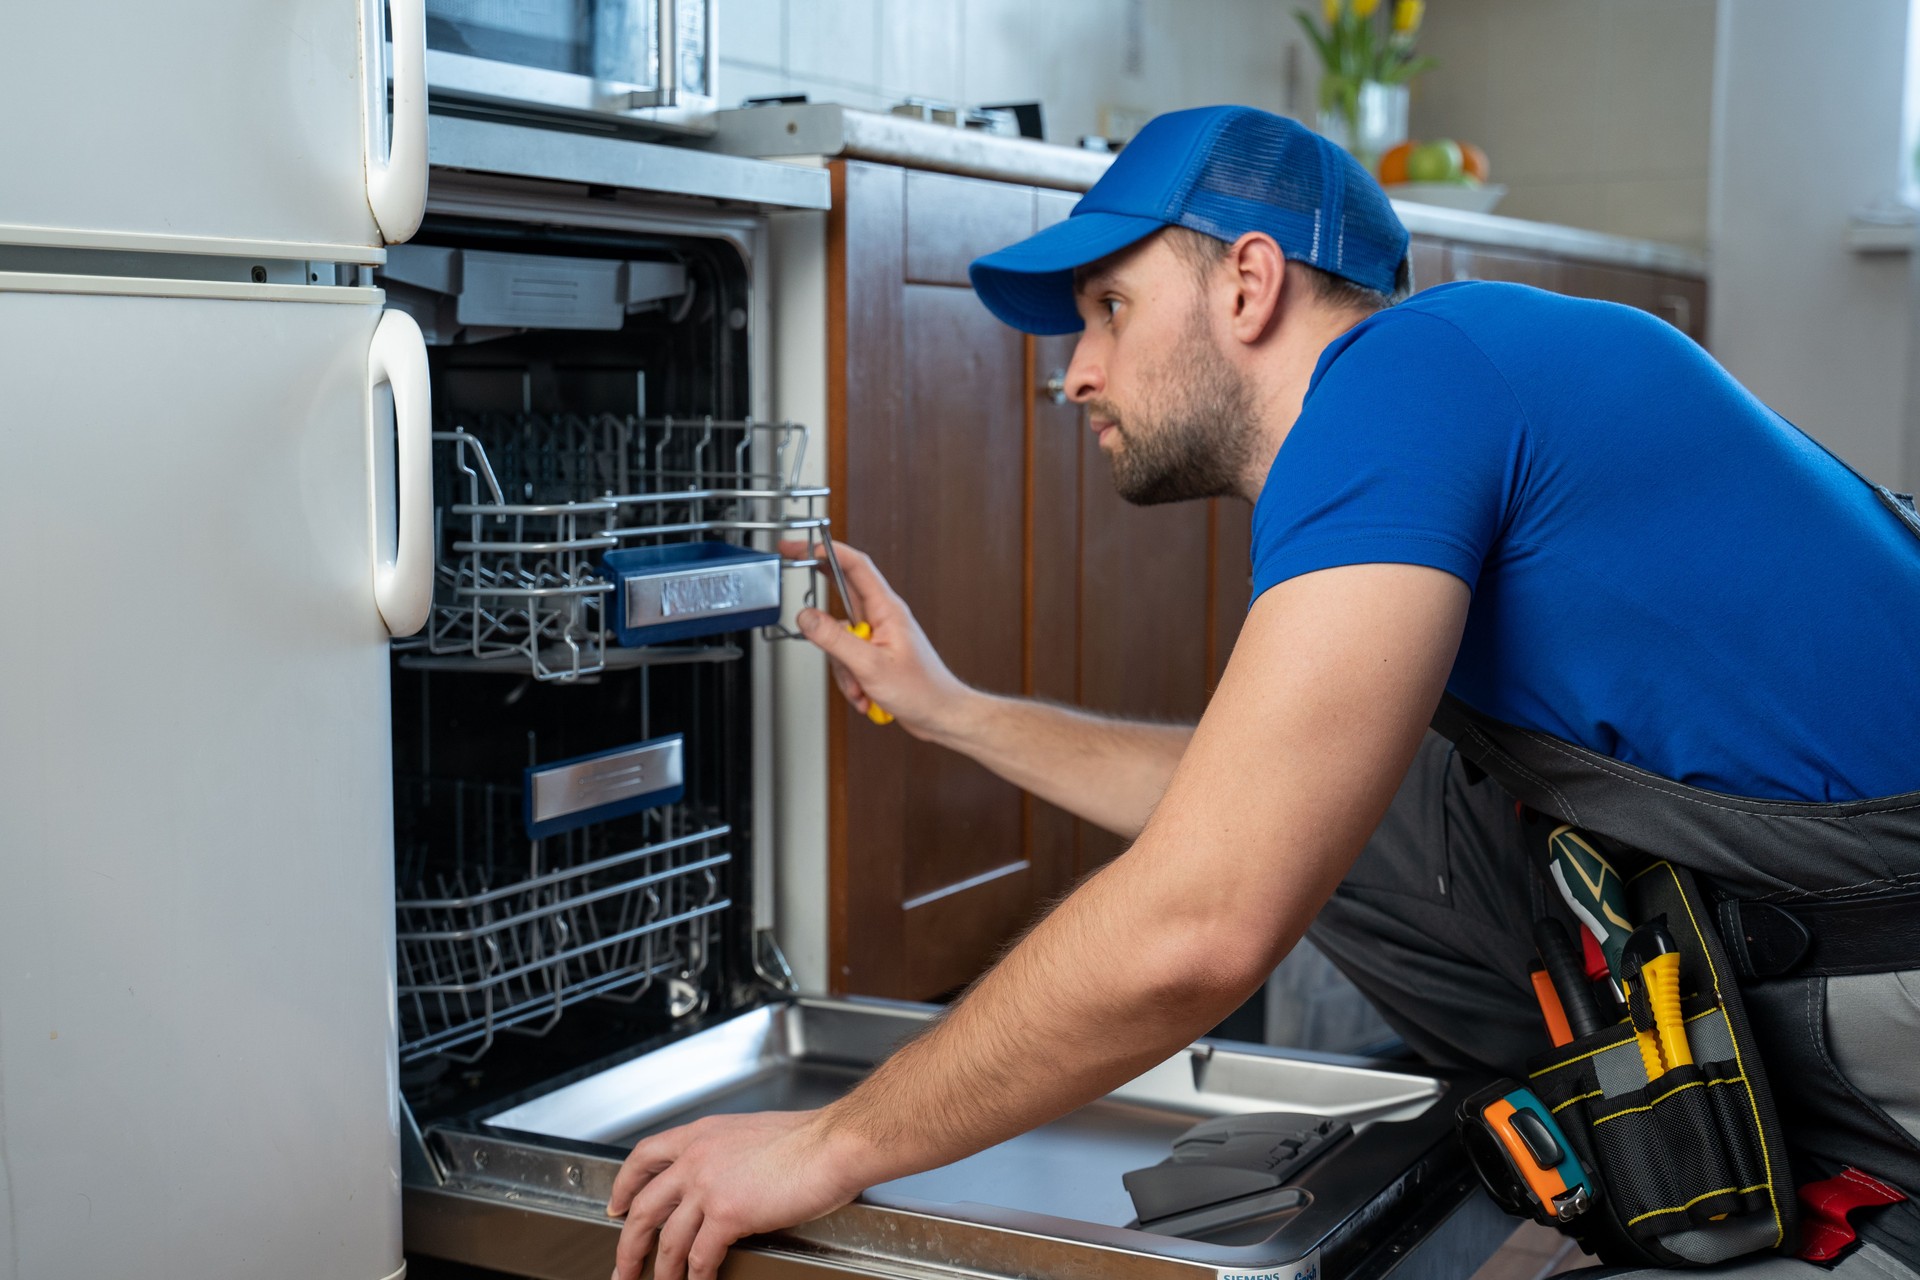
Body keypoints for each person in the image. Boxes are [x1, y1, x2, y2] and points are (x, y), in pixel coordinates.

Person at [606, 105, 1920, 1280]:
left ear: (1249, 281)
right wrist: (943, 703)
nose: (1074, 373)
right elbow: (1250, 807)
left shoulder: (1404, 383)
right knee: (1372, 809)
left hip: (1887, 994)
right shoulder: (1458, 374)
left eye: (1109, 307)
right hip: (1808, 917)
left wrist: (834, 1143)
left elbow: (1206, 919)